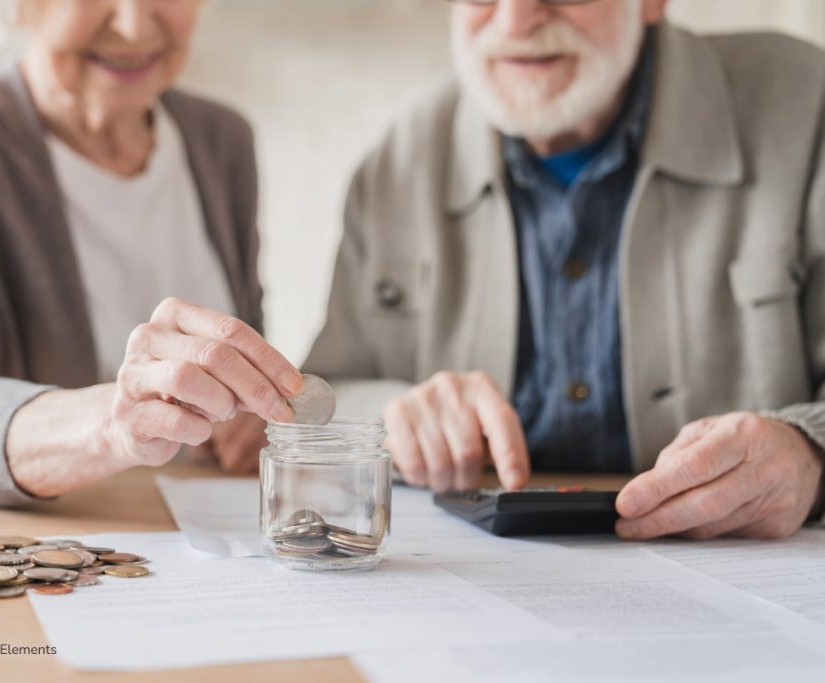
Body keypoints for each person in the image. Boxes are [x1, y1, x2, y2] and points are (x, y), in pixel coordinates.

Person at [303, 0, 825, 540]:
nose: (515, 21)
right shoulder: (398, 160)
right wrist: (395, 415)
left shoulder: (806, 106)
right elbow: (318, 399)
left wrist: (809, 450)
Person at [0, 0, 301, 507]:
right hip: (58, 545)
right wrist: (115, 424)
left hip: (207, 535)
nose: (135, 25)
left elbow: (243, 362)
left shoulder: (222, 140)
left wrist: (248, 412)